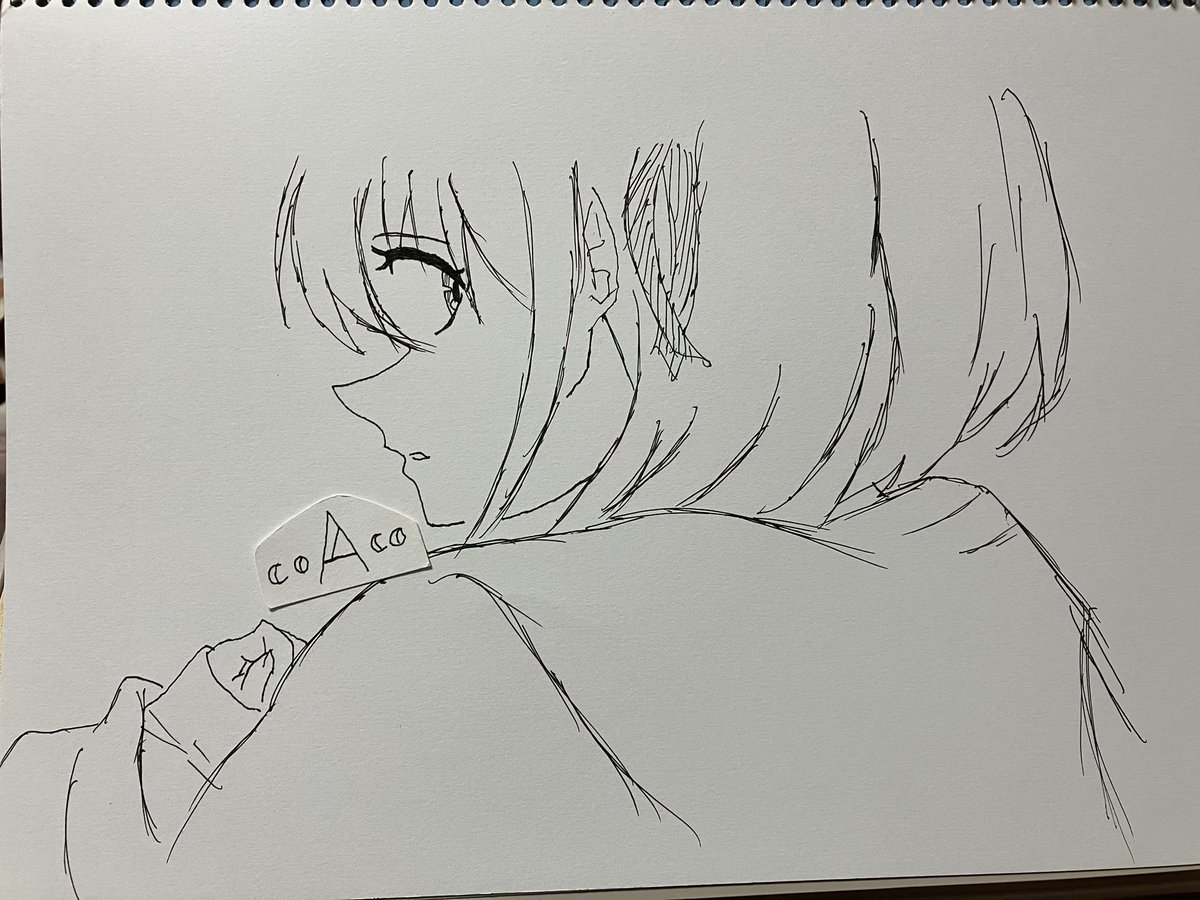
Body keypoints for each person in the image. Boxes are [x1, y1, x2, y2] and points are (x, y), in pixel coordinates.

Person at [0, 93, 1138, 899]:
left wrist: (168, 749)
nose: (362, 385)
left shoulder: (462, 633)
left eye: (431, 288)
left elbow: (130, 875)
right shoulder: (986, 558)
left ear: (644, 271)